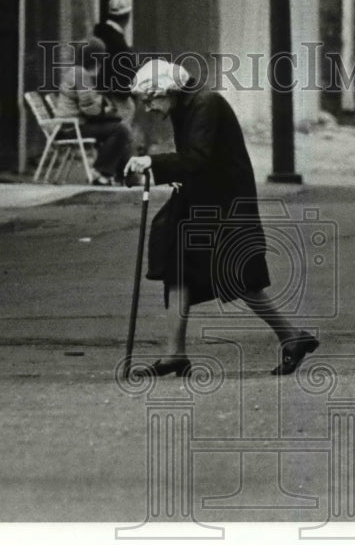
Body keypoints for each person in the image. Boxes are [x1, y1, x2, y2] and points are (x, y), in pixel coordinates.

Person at [123, 59, 319, 376]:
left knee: (238, 274)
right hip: (202, 195)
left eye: (149, 99)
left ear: (167, 90)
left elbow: (198, 156)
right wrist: (167, 170)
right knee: (178, 266)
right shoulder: (186, 105)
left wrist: (153, 163)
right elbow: (195, 158)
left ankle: (292, 336)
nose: (148, 107)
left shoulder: (205, 103)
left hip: (224, 199)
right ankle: (175, 353)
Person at [56, 36, 133, 185]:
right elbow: (88, 108)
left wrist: (103, 109)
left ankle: (121, 175)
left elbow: (89, 102)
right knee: (121, 130)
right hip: (71, 128)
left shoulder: (77, 72)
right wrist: (106, 112)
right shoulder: (80, 74)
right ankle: (102, 173)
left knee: (121, 128)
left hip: (72, 125)